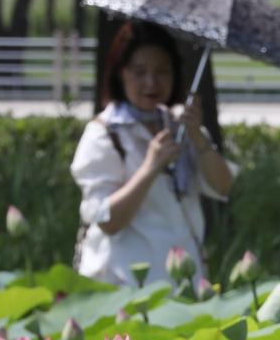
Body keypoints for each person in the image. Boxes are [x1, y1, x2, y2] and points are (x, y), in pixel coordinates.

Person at [69, 22, 236, 286]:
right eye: (140, 72)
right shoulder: (104, 134)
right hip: (124, 284)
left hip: (184, 281)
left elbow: (223, 186)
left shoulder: (181, 126)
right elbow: (106, 221)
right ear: (121, 74)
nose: (151, 82)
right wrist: (150, 167)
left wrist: (197, 137)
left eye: (162, 72)